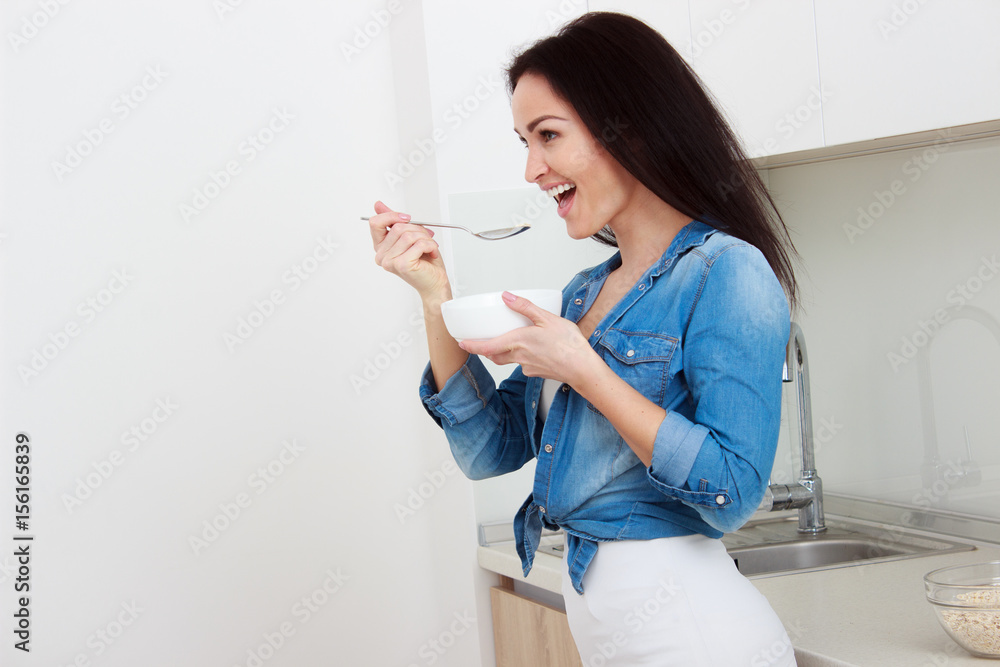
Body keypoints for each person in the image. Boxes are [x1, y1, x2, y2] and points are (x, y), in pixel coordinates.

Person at [368, 11, 799, 666]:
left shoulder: (726, 270)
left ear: (629, 128)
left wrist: (585, 369)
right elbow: (491, 449)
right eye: (524, 141)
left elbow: (731, 490)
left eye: (548, 136)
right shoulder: (581, 294)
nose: (532, 169)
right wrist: (435, 293)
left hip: (695, 636)